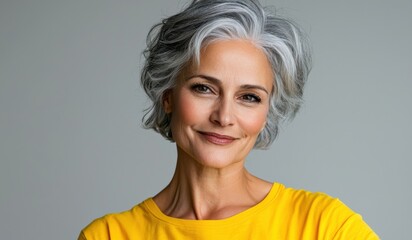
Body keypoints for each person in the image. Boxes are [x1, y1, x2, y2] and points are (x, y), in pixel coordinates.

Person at [78, 0, 379, 239]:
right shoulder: (109, 235)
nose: (223, 116)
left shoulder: (323, 227)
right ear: (167, 96)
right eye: (204, 88)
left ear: (266, 114)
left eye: (249, 97)